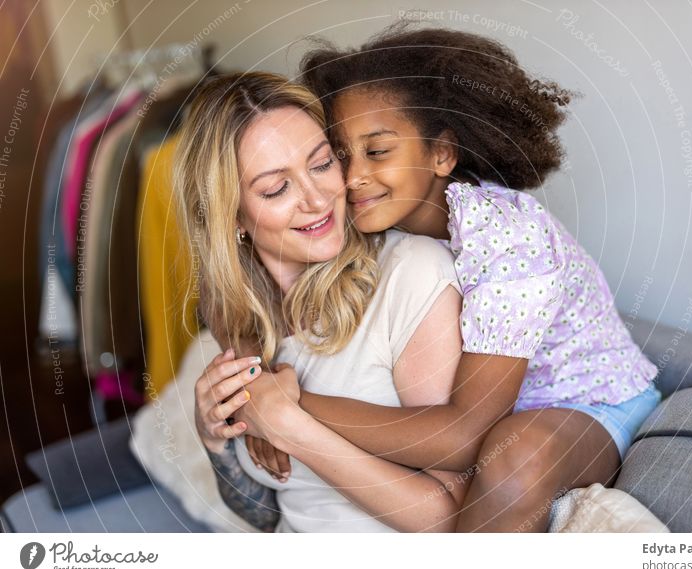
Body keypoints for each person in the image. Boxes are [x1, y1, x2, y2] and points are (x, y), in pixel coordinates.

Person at [247, 24, 663, 532]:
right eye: (340, 154)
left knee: (513, 461)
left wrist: (291, 407)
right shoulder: (366, 223)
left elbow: (467, 435)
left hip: (589, 400)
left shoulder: (511, 237)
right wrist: (251, 382)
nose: (352, 176)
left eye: (378, 152)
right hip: (499, 410)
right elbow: (260, 285)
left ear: (441, 154)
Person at [173, 71, 470, 532]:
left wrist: (288, 423)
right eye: (276, 188)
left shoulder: (412, 274)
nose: (317, 199)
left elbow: (450, 518)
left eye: (321, 164)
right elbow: (264, 514)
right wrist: (213, 440)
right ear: (232, 214)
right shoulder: (246, 326)